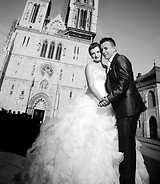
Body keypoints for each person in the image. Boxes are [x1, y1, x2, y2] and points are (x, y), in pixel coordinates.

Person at [21, 42, 149, 184]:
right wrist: (103, 99)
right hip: (95, 102)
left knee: (117, 142)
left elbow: (118, 83)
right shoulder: (90, 66)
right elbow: (92, 85)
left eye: (98, 52)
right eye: (93, 53)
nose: (96, 55)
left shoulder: (109, 66)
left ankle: (123, 176)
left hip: (109, 104)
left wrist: (109, 101)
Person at [99, 37, 148, 184]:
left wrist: (109, 98)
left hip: (128, 108)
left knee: (127, 147)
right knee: (125, 145)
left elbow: (124, 81)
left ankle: (127, 181)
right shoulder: (110, 64)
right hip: (123, 109)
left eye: (106, 48)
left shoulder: (120, 59)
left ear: (114, 48)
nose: (103, 51)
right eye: (102, 50)